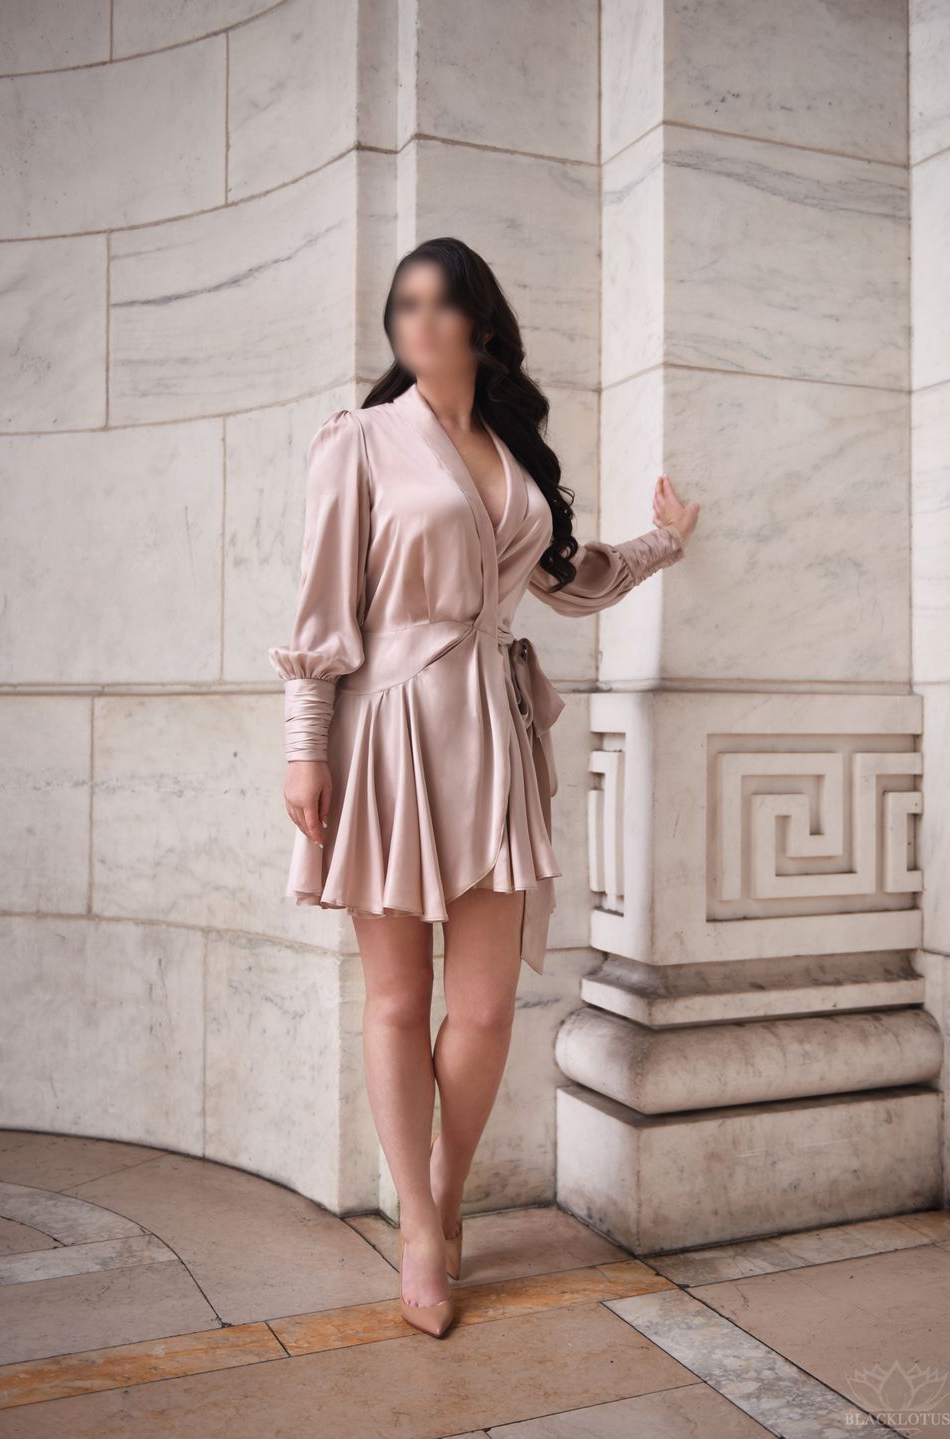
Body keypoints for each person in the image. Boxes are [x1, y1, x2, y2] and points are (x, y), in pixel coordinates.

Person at [269, 237, 700, 1337]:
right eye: (402, 304)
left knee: (490, 1002)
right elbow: (322, 610)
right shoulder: (359, 441)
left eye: (437, 304)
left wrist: (663, 542)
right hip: (387, 727)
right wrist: (304, 741)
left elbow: (571, 576)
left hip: (495, 733)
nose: (415, 321)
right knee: (399, 997)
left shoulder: (512, 452)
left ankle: (448, 1187)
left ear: (480, 325)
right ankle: (417, 1221)